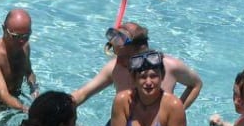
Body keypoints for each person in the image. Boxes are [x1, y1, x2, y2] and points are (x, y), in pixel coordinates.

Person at [72, 21, 202, 110]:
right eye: (117, 56)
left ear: (140, 51)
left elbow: (196, 84)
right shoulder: (114, 68)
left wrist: (177, 113)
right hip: (124, 123)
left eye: (124, 58)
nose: (118, 61)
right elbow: (83, 93)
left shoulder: (170, 66)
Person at [109, 51, 187, 126]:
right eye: (143, 77)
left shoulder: (173, 106)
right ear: (134, 79)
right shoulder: (122, 100)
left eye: (154, 76)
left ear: (162, 76)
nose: (149, 82)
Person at [0, 8, 39, 112]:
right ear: (4, 29)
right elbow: (3, 95)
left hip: (17, 95)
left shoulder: (25, 46)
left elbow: (29, 72)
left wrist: (34, 90)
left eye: (26, 36)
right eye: (16, 36)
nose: (21, 41)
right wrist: (26, 109)